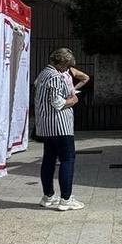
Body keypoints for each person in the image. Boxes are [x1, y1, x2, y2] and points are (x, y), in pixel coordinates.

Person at [35, 48, 83, 211]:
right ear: (61, 63)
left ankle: (48, 196)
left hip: (46, 125)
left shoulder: (43, 74)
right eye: (66, 66)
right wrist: (73, 100)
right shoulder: (55, 77)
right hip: (60, 125)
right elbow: (57, 103)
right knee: (67, 160)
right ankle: (66, 198)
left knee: (48, 160)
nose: (66, 70)